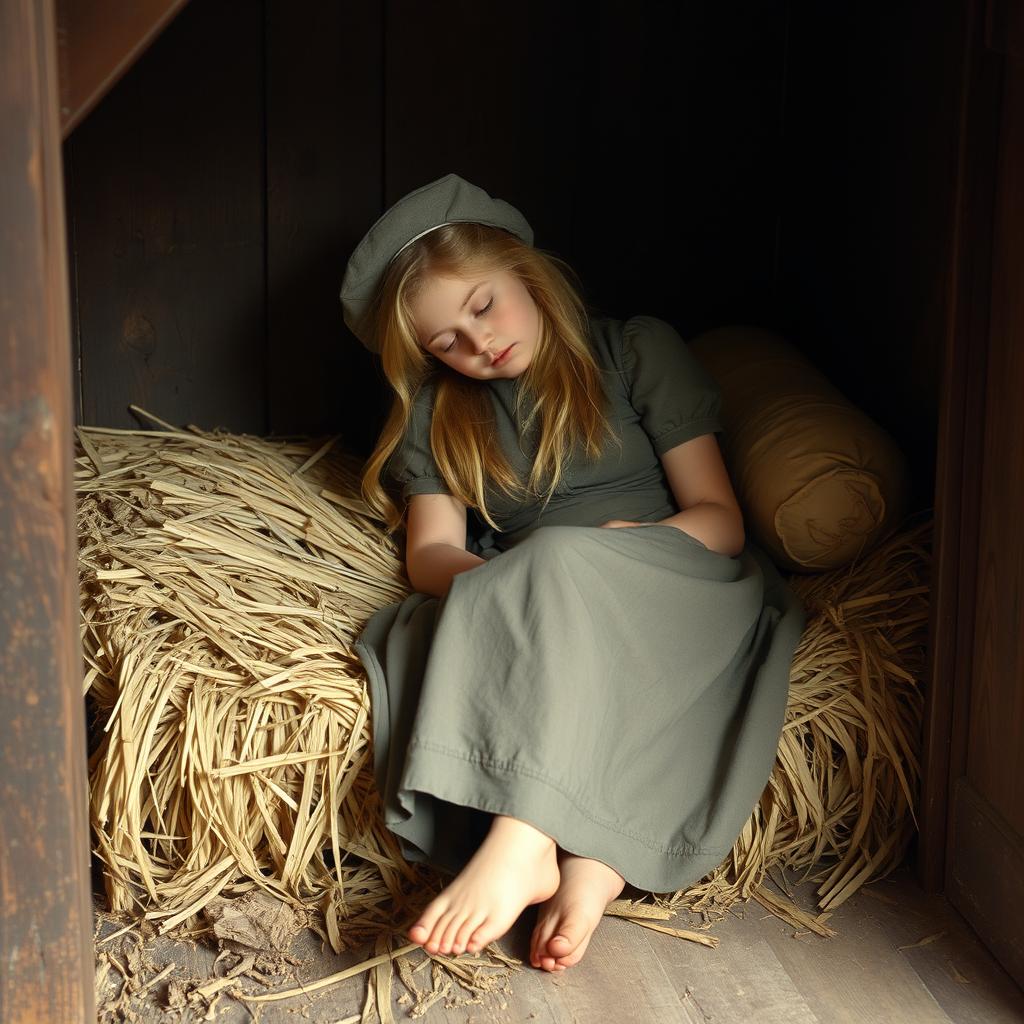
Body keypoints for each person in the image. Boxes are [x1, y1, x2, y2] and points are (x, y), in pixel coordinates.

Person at [339, 173, 806, 973]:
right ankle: (590, 866)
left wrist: (614, 550)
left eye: (483, 306)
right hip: (530, 585)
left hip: (670, 573)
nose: (477, 345)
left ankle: (527, 838)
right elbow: (431, 555)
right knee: (504, 593)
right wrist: (516, 583)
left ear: (525, 269)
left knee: (568, 561)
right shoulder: (437, 413)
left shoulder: (632, 350)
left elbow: (720, 521)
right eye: (446, 340)